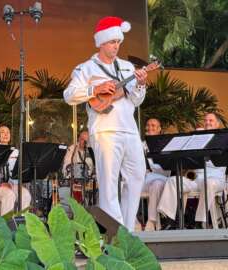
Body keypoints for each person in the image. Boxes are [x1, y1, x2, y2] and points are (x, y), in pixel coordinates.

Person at [63, 16, 148, 231]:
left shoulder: (128, 67)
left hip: (129, 129)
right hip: (105, 130)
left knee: (137, 176)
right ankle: (114, 233)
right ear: (101, 42)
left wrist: (141, 85)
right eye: (112, 42)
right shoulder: (86, 68)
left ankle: (127, 231)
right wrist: (94, 90)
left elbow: (136, 101)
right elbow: (69, 95)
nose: (116, 46)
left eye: (118, 42)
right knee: (109, 184)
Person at [157, 112, 226, 228]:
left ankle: (199, 221)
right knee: (173, 181)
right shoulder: (198, 139)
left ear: (218, 124)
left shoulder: (223, 139)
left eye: (211, 120)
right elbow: (189, 163)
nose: (207, 123)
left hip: (215, 179)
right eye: (206, 120)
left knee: (208, 183)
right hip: (196, 178)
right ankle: (169, 219)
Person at [0, 126, 31, 215]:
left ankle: (22, 222)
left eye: (8, 132)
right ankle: (7, 225)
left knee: (26, 194)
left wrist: (11, 183)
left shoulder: (16, 152)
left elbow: (18, 171)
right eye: (3, 132)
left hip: (12, 185)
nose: (6, 134)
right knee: (9, 195)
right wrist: (0, 181)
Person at [141, 118, 170, 231]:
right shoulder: (141, 145)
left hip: (162, 178)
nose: (150, 127)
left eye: (153, 125)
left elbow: (166, 169)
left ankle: (151, 221)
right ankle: (134, 222)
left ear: (159, 129)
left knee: (157, 184)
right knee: (125, 185)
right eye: (148, 125)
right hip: (144, 179)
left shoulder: (165, 144)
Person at [60, 130, 94, 209]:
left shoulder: (92, 150)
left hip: (90, 181)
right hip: (75, 181)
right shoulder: (72, 148)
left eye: (86, 140)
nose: (84, 142)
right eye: (82, 139)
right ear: (78, 139)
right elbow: (67, 166)